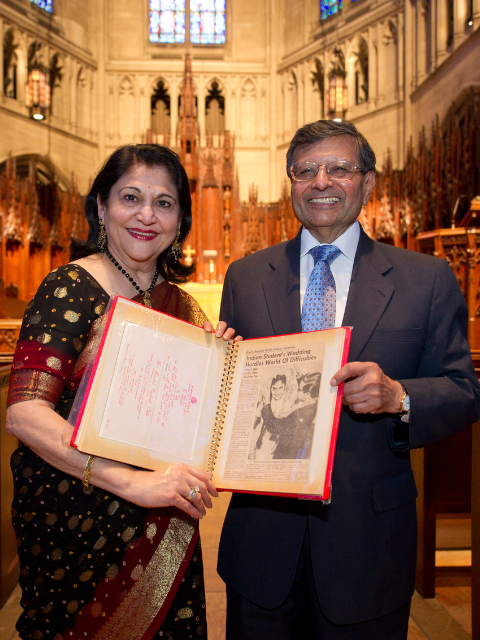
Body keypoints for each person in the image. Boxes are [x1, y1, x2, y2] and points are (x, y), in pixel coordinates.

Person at [217, 120, 480, 639]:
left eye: (340, 168)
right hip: (262, 542)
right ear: (289, 183)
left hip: (370, 542)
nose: (322, 182)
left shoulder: (425, 279)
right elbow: (228, 398)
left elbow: (464, 390)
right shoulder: (245, 277)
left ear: (368, 182)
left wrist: (400, 396)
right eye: (306, 170)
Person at [6, 144, 237, 640]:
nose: (146, 215)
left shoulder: (186, 307)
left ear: (181, 219)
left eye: (164, 202)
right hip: (74, 522)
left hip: (164, 527)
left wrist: (219, 365)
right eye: (130, 197)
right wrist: (132, 484)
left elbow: (194, 424)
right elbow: (24, 413)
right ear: (101, 207)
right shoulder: (68, 286)